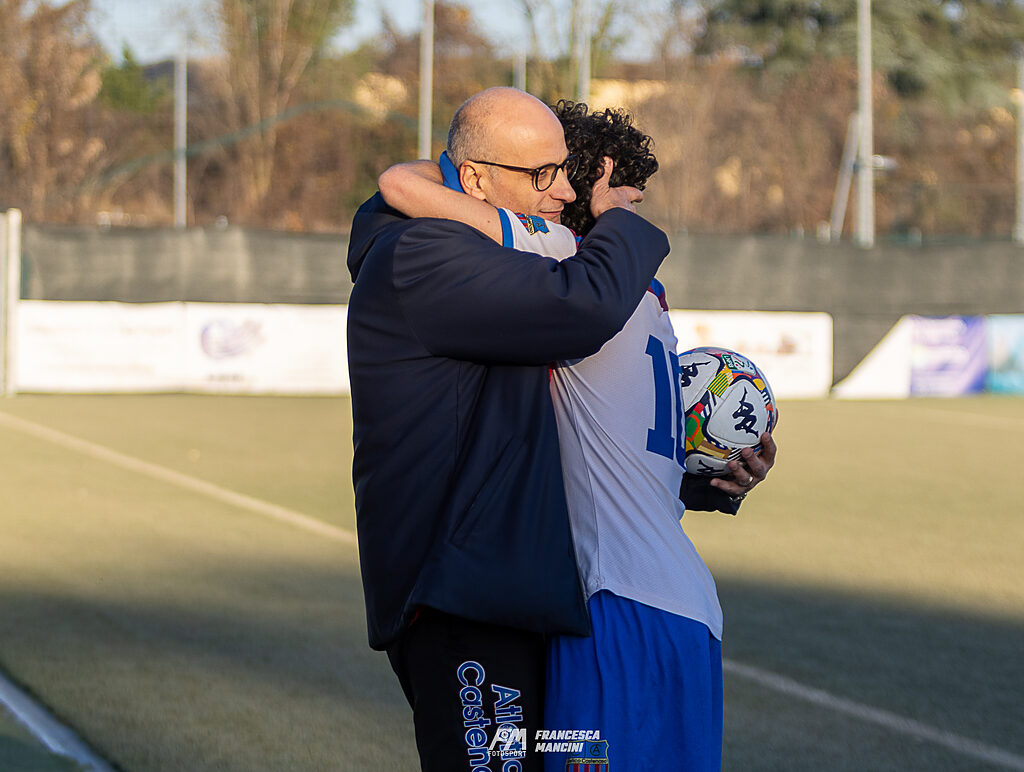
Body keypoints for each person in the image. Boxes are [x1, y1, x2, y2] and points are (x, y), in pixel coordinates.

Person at [377, 99, 777, 771]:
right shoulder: (650, 303)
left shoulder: (564, 262)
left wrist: (441, 171)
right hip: (691, 611)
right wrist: (715, 484)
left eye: (563, 177)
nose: (556, 192)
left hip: (618, 605)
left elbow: (403, 189)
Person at [346, 87, 671, 771]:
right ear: (473, 180)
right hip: (462, 597)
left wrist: (706, 477)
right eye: (543, 174)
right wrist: (619, 225)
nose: (565, 192)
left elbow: (569, 432)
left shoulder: (469, 241)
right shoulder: (425, 252)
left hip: (511, 590)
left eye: (566, 171)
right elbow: (583, 306)